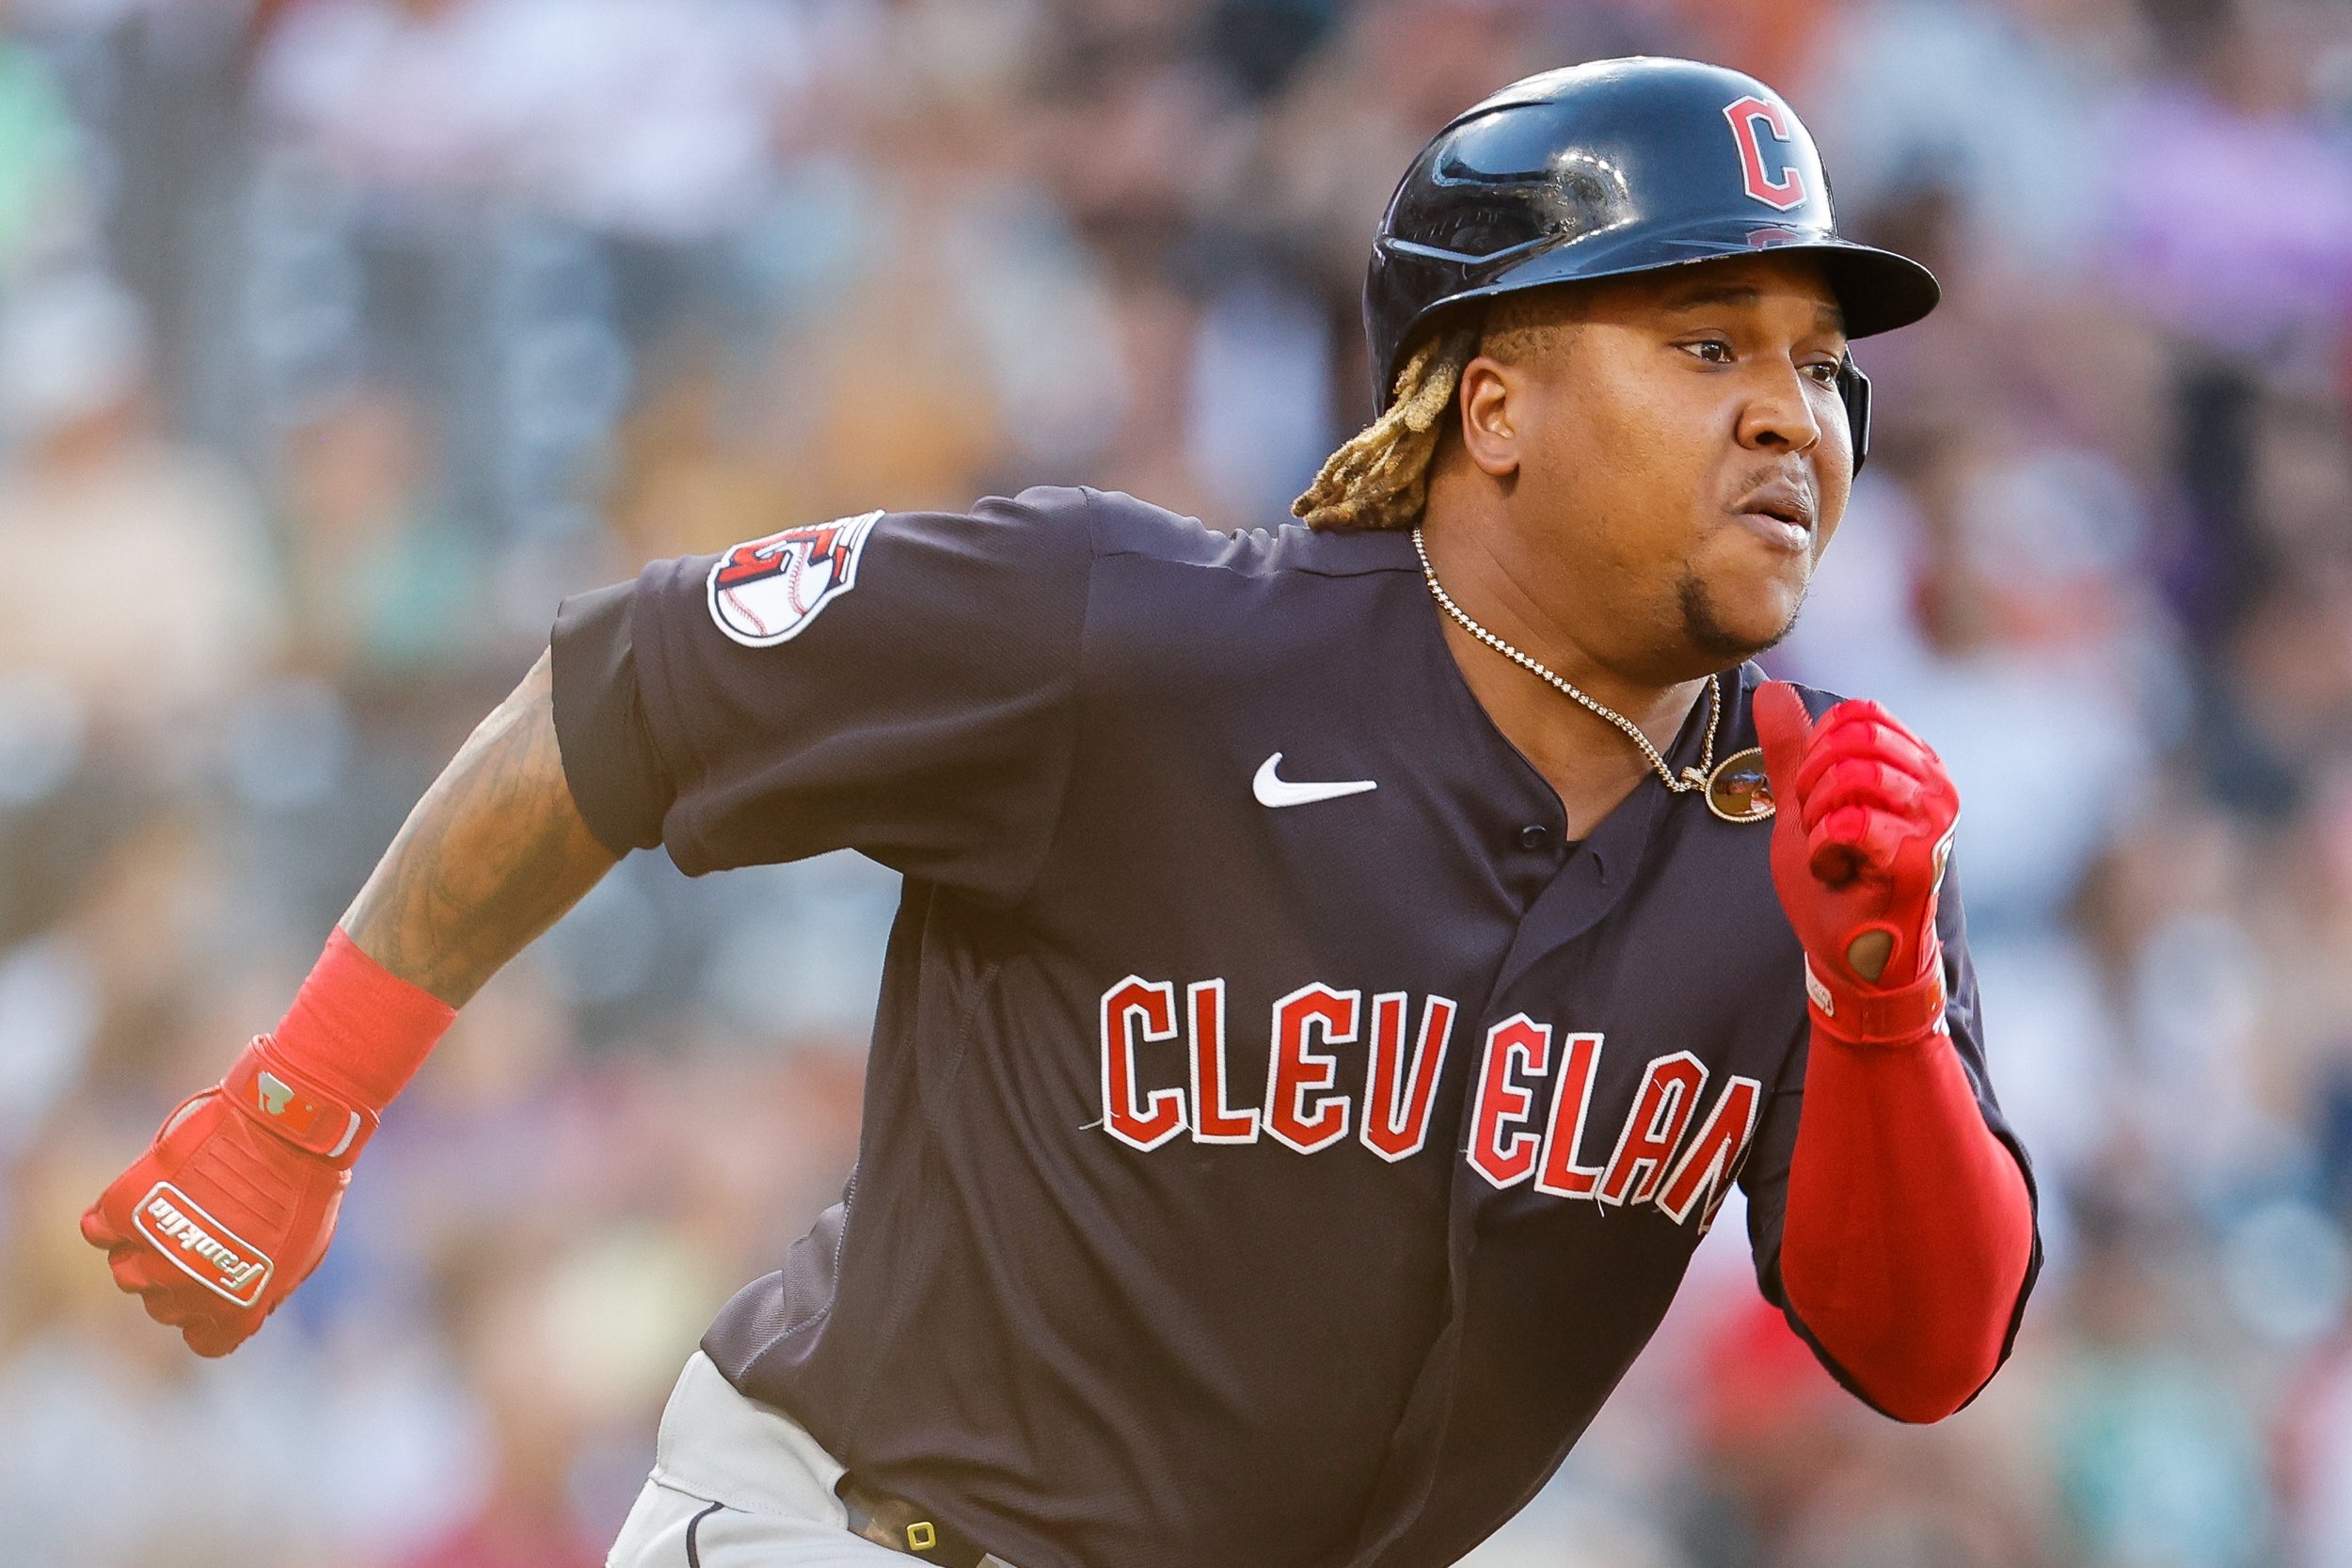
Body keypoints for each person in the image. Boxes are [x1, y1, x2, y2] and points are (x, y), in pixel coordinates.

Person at [82, 57, 2039, 1568]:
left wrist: (1869, 1000)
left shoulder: (1821, 826)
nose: (1794, 415)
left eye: (1818, 365)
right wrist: (297, 1104)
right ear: (1487, 403)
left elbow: (1923, 1349)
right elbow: (628, 698)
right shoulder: (1141, 638)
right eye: (1707, 347)